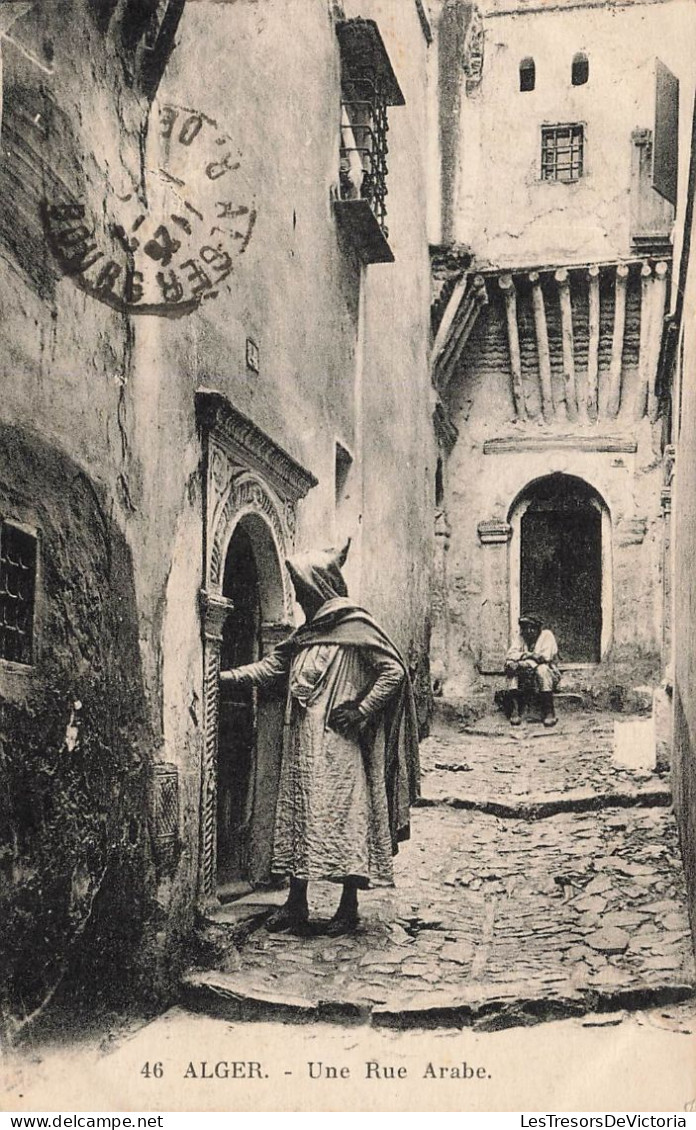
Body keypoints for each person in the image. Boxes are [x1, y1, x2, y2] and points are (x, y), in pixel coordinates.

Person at [219, 541, 420, 936]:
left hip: (339, 748)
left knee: (343, 821)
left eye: (301, 591)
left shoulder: (356, 627)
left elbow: (393, 672)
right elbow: (270, 668)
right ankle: (297, 903)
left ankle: (348, 908)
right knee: (299, 819)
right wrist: (224, 678)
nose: (297, 599)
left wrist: (362, 709)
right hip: (301, 746)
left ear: (318, 588)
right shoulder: (305, 636)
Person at [504, 612, 561, 728]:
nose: (529, 631)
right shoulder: (521, 637)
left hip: (548, 677)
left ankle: (549, 711)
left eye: (532, 628)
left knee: (542, 669)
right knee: (511, 667)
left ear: (538, 628)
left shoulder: (546, 636)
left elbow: (544, 658)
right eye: (525, 628)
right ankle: (515, 710)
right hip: (527, 677)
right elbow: (510, 655)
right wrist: (528, 656)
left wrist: (523, 662)